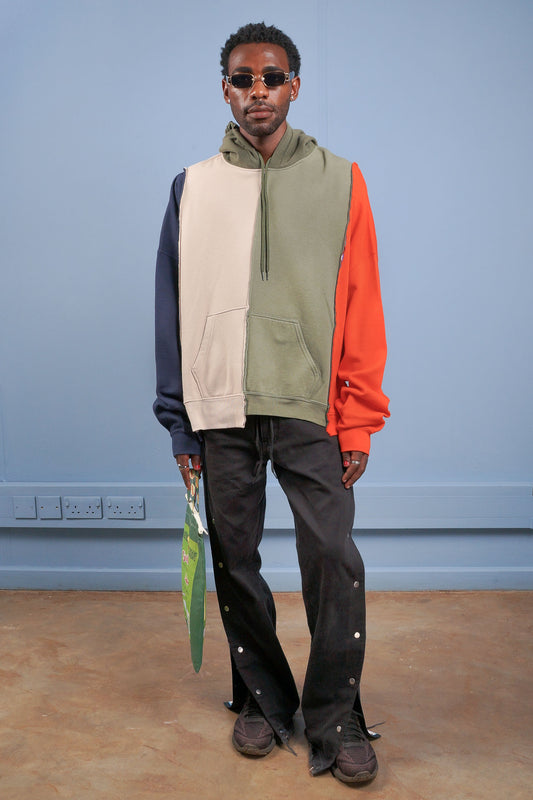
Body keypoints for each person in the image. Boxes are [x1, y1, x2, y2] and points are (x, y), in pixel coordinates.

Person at [153, 21, 389, 784]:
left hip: (310, 407)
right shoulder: (192, 186)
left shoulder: (340, 180)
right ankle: (259, 696)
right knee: (234, 560)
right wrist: (179, 423)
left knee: (332, 559)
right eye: (243, 78)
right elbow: (170, 306)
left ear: (295, 86)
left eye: (272, 77)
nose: (259, 91)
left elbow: (360, 302)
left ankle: (336, 712)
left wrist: (357, 418)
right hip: (217, 406)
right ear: (224, 90)